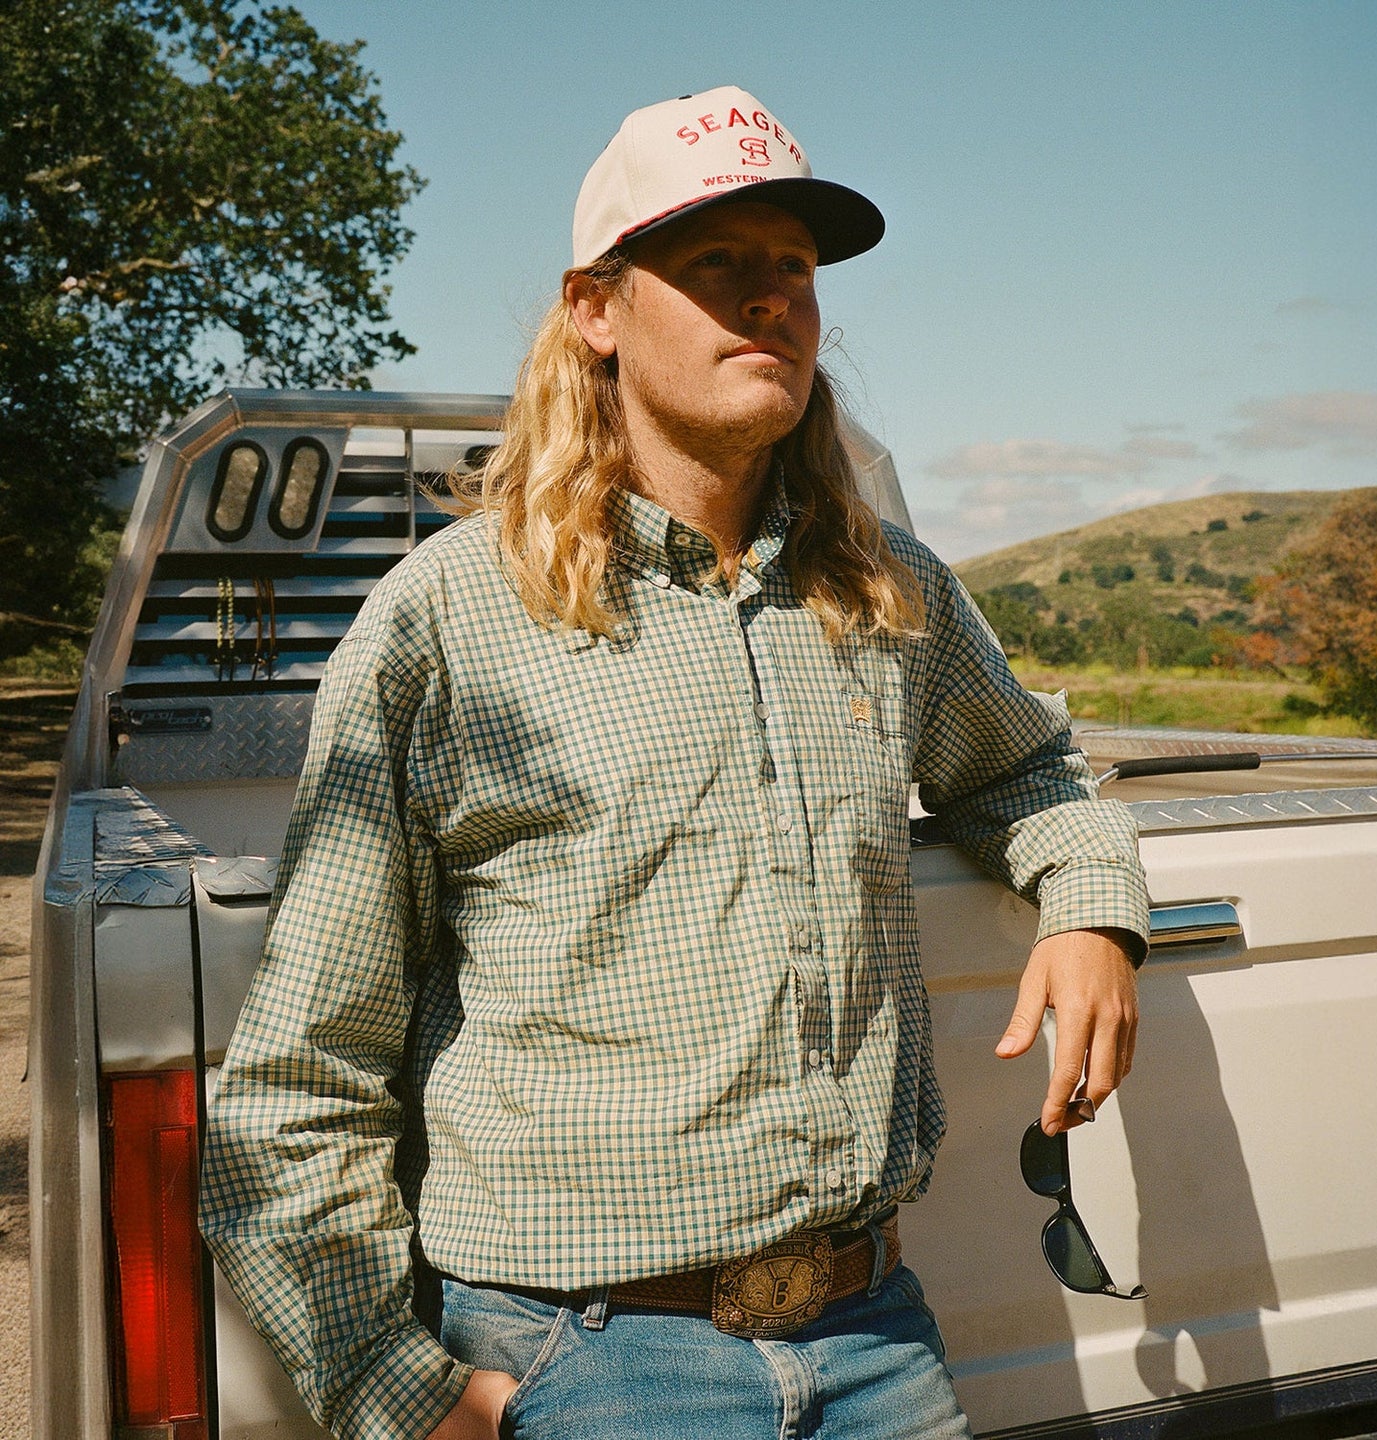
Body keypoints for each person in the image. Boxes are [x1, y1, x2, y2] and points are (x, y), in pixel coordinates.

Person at [199, 85, 1148, 1440]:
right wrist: (389, 1390)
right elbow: (300, 1081)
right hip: (588, 1362)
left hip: (878, 1341)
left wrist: (1093, 907)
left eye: (797, 269)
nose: (775, 300)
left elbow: (1031, 775)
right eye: (718, 265)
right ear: (596, 308)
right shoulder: (450, 619)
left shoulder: (891, 599)